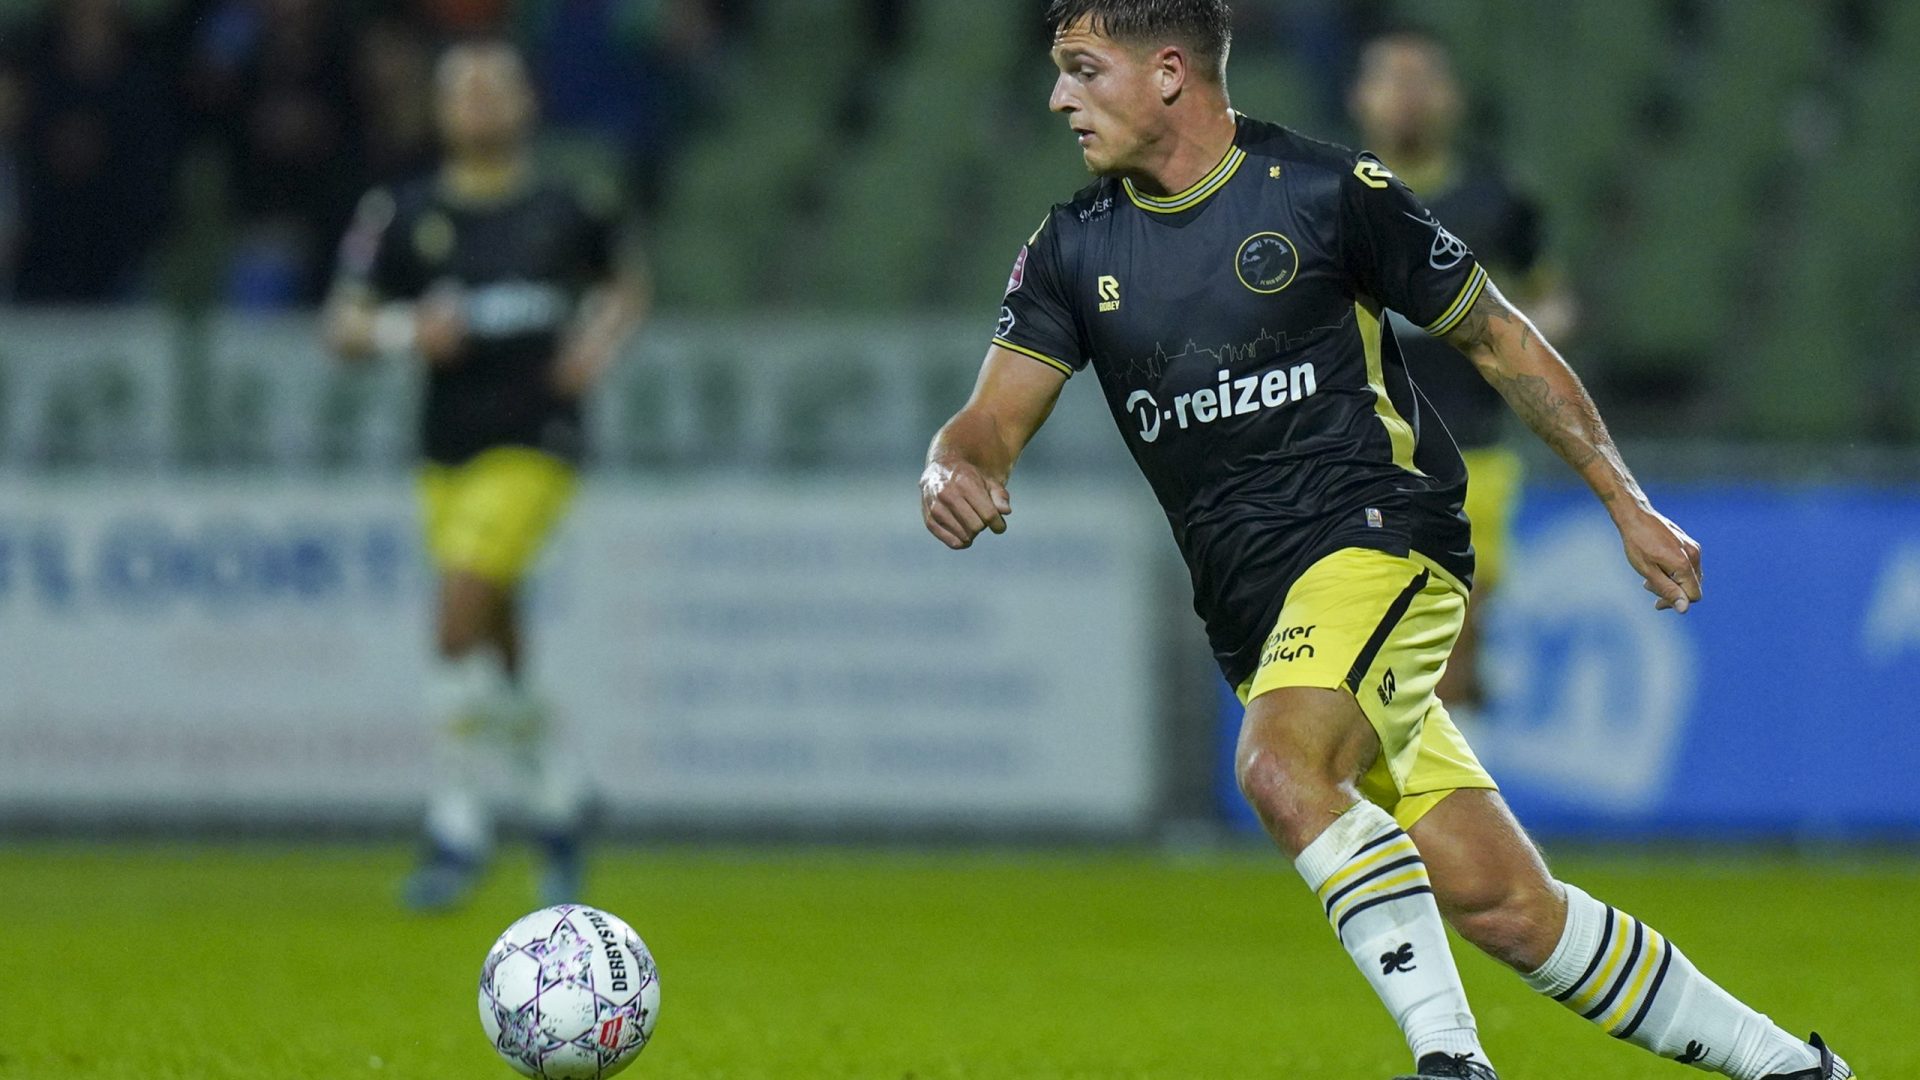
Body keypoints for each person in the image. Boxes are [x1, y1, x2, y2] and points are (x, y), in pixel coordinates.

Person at [919, 3, 1852, 1078]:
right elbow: (990, 418)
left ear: (1168, 72)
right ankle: (1796, 1068)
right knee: (1506, 904)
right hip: (1258, 612)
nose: (1059, 98)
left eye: (1083, 71)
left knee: (1278, 767)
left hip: (1379, 539)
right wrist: (958, 467)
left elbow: (1500, 337)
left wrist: (1624, 500)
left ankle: (1451, 1060)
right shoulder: (1074, 246)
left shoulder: (1328, 194)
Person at [324, 40, 648, 911]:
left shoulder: (568, 204)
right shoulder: (401, 211)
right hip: (446, 449)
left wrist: (596, 345)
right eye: (460, 90)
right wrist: (404, 333)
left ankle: (456, 827)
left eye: (493, 88)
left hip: (537, 439)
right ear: (439, 111)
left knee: (456, 614)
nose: (477, 104)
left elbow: (625, 286)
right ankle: (560, 799)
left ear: (525, 104)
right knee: (496, 641)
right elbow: (342, 325)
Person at [1348, 25, 1577, 714]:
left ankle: (1441, 787)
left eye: (1425, 81)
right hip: (1359, 450)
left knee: (1456, 627)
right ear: (1362, 96)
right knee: (1374, 634)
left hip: (1470, 446)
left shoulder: (1495, 198)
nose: (1410, 98)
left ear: (1452, 98)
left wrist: (1508, 337)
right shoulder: (1332, 193)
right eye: (1394, 79)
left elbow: (1553, 300)